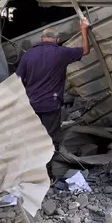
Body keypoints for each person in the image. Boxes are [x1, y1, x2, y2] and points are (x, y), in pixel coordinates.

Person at [16, 19, 91, 149]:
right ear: (57, 40)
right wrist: (84, 29)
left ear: (41, 39)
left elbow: (17, 80)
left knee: (34, 138)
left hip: (32, 105)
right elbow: (85, 50)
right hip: (51, 105)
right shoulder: (61, 53)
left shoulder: (28, 55)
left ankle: (36, 165)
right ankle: (50, 167)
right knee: (50, 139)